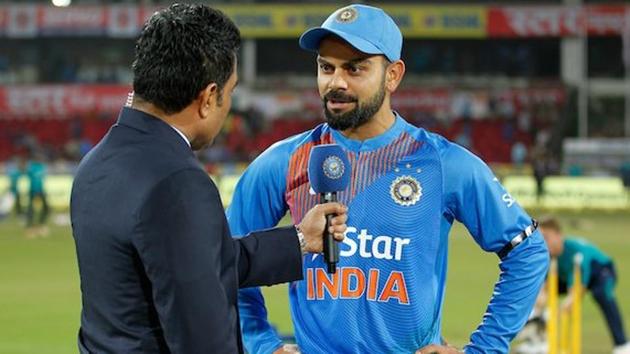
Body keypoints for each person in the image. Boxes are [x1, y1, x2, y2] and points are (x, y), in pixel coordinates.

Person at [227, 4, 549, 353]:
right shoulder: (283, 162)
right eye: (326, 67)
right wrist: (261, 343)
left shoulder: (443, 164)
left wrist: (484, 348)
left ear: (393, 75)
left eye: (355, 69)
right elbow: (224, 260)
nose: (336, 82)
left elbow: (527, 252)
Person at [70, 4, 348, 354]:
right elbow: (203, 338)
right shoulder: (178, 182)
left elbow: (187, 261)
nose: (228, 105)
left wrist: (298, 240)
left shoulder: (97, 162)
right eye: (230, 93)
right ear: (208, 98)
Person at [538, 216, 630, 354]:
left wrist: (555, 314)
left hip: (602, 272)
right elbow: (544, 288)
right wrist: (537, 310)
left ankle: (622, 345)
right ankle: (537, 340)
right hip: (571, 278)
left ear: (559, 235)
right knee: (534, 289)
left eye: (546, 237)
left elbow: (575, 293)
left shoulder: (575, 253)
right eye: (540, 239)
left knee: (601, 294)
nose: (543, 243)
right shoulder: (549, 256)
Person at [25, 153, 49, 237]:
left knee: (46, 208)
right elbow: (28, 175)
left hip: (41, 190)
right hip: (33, 190)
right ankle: (30, 227)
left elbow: (42, 178)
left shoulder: (42, 167)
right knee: (31, 209)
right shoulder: (31, 167)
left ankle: (41, 225)